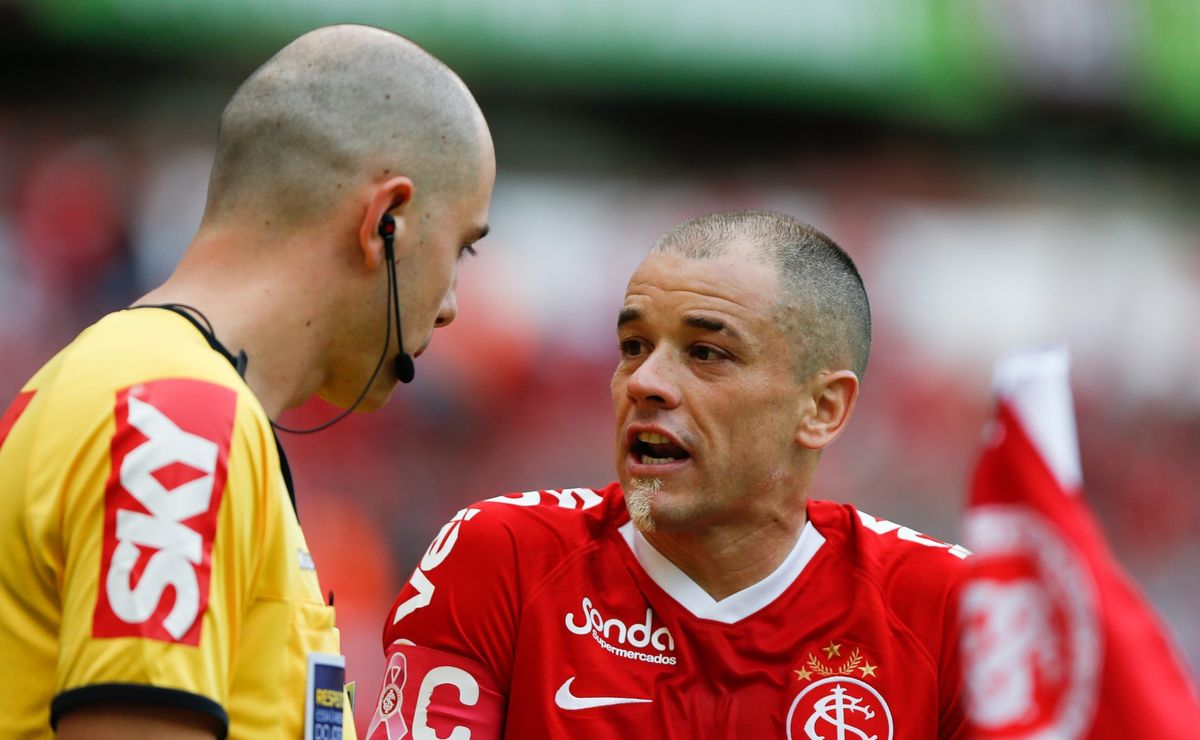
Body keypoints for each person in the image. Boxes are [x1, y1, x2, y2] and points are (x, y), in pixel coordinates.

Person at [0, 24, 494, 740]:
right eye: (462, 249)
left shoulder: (150, 392)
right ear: (386, 220)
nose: (449, 305)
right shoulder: (176, 416)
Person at [365, 210, 968, 739]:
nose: (645, 382)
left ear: (822, 409)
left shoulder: (945, 608)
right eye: (633, 346)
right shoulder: (502, 558)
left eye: (706, 354)